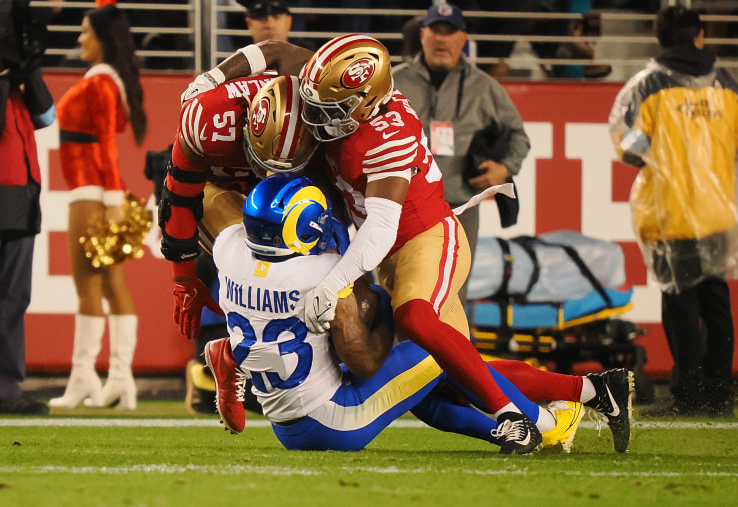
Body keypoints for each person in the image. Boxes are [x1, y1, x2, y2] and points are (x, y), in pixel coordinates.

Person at [187, 35, 634, 453]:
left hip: (422, 236)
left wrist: (334, 283)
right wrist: (215, 77)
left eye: (334, 109)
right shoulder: (327, 81)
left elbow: (382, 228)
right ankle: (593, 390)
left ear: (370, 99)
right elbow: (275, 50)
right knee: (441, 375)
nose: (319, 119)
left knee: (417, 320)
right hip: (375, 249)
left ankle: (514, 415)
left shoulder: (390, 132)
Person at [206, 173, 586, 453]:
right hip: (337, 420)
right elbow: (365, 363)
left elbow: (209, 201)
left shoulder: (229, 251)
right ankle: (549, 424)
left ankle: (521, 426)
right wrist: (383, 306)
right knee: (445, 349)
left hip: (286, 426)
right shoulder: (321, 275)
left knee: (423, 391)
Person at [609, 5, 738, 417]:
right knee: (716, 299)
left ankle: (691, 391)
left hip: (671, 210)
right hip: (717, 210)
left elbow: (626, 142)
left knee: (680, 302)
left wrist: (661, 157)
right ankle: (720, 389)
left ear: (661, 38)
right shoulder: (726, 83)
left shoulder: (649, 84)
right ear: (700, 35)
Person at [392, 2, 531, 303]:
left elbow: (519, 136)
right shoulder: (394, 81)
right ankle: (399, 352)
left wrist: (504, 169)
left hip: (459, 207)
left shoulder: (484, 87)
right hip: (403, 205)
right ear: (423, 35)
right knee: (398, 292)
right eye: (436, 31)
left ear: (463, 39)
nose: (442, 39)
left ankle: (444, 352)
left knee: (452, 296)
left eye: (450, 32)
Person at [50, 3, 148, 410]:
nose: (79, 38)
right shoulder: (108, 81)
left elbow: (107, 145)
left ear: (104, 39)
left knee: (87, 287)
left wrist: (110, 201)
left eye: (86, 31)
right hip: (96, 191)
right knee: (109, 285)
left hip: (91, 193)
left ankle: (84, 376)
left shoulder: (101, 84)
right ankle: (121, 381)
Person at [0, 0, 55, 415]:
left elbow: (47, 115)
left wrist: (27, 73)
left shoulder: (16, 78)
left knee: (12, 298)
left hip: (22, 194)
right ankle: (3, 388)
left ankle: (5, 389)